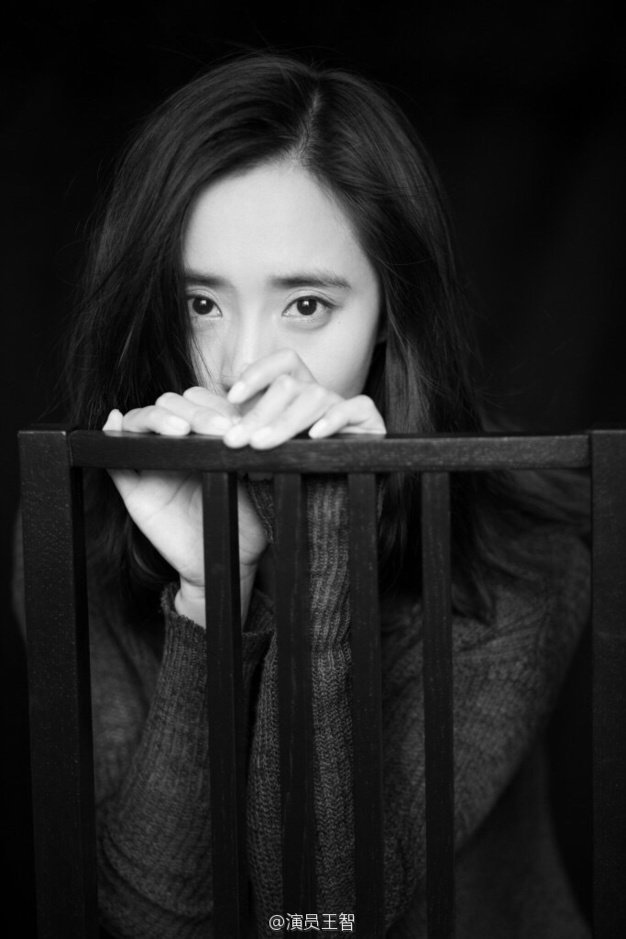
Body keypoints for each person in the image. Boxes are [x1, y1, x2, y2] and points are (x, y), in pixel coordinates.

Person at [16, 52, 590, 937]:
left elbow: (322, 917)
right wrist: (209, 593)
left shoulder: (518, 556)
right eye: (201, 304)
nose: (247, 368)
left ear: (390, 317)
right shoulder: (73, 529)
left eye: (307, 305)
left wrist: (326, 519)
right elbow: (159, 923)